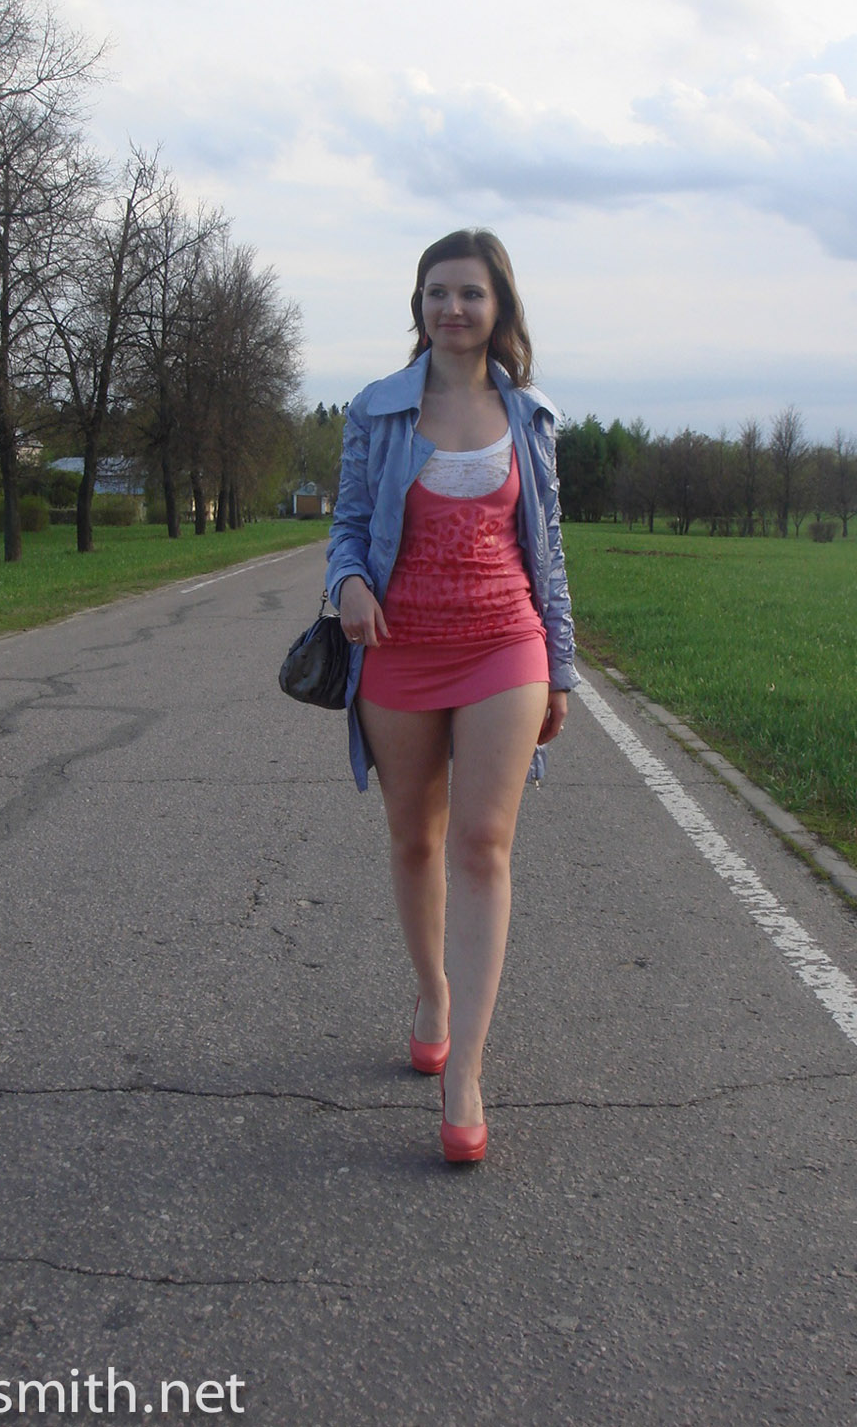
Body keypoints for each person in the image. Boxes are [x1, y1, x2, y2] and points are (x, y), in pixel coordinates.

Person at [326, 229, 579, 1163]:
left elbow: (549, 553)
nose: (452, 308)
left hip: (503, 643)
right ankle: (431, 990)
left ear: (498, 306)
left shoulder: (530, 417)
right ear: (418, 305)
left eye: (470, 293)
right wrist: (348, 584)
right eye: (437, 292)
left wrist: (560, 666)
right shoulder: (377, 410)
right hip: (400, 648)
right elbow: (349, 525)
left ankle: (465, 1068)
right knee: (415, 837)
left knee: (482, 843)